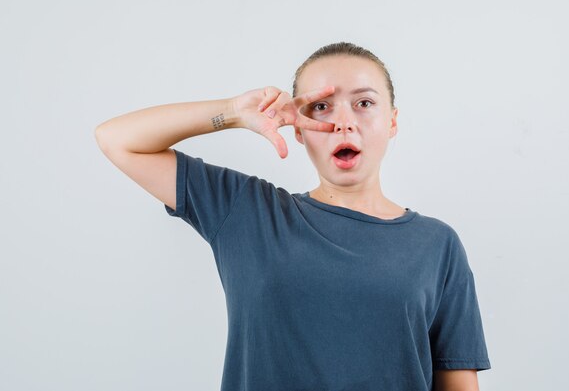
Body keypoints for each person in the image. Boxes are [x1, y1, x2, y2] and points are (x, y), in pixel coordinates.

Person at [95, 41, 491, 391]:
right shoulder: (246, 211)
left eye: (364, 103)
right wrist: (233, 112)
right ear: (299, 130)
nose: (343, 121)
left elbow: (457, 384)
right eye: (320, 107)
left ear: (392, 122)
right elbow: (118, 140)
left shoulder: (438, 245)